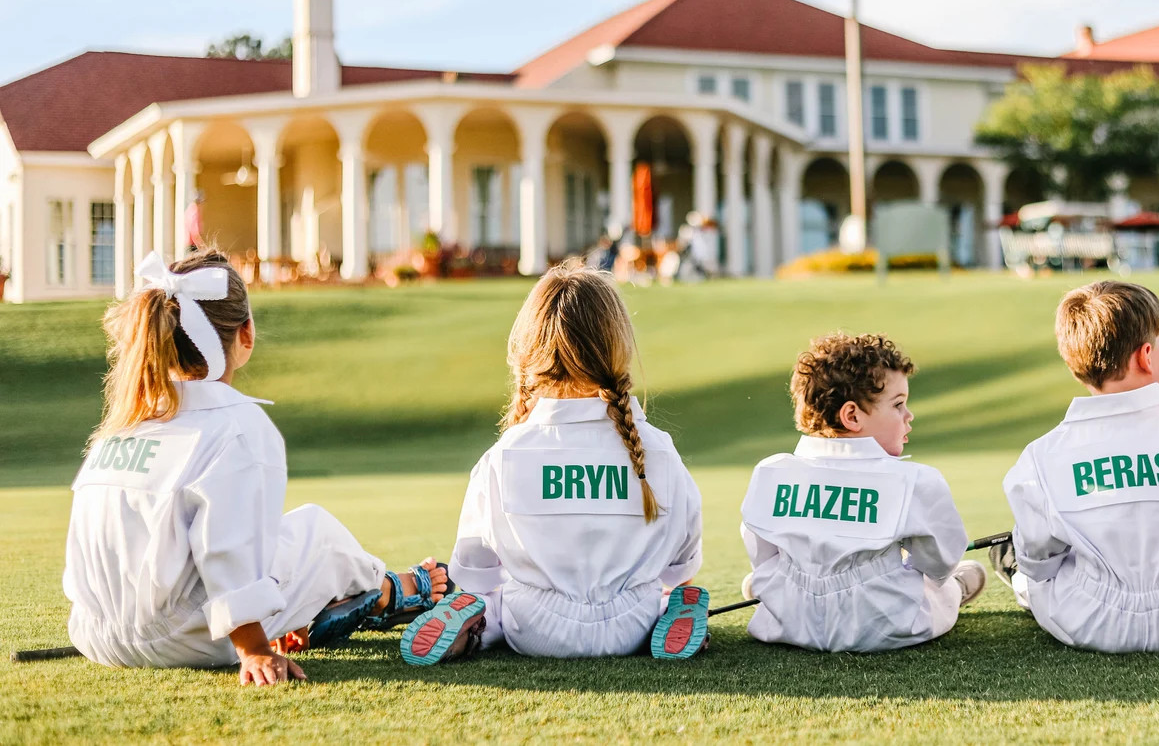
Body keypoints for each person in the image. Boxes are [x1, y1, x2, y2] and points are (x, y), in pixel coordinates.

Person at [64, 248, 452, 685]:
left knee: (282, 543)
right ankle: (387, 592)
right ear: (245, 333)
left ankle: (323, 607)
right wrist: (254, 649)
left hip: (96, 635)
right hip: (191, 638)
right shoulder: (236, 426)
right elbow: (225, 546)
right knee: (317, 532)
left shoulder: (124, 423)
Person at [400, 260, 704, 664]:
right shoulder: (658, 449)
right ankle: (670, 611)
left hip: (534, 628)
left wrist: (480, 594)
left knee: (490, 599)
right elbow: (682, 561)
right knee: (664, 594)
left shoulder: (505, 454)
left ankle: (478, 625)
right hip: (632, 626)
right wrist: (672, 585)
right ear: (617, 346)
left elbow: (475, 569)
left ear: (530, 350)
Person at [994, 280, 1159, 652]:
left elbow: (1039, 561)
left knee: (1033, 572)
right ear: (1147, 356)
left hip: (1088, 623)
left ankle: (1016, 582)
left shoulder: (1042, 455)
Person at [738, 333, 985, 652]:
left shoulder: (771, 470)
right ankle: (957, 590)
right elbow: (940, 562)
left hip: (789, 622)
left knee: (777, 577)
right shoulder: (915, 480)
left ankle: (773, 595)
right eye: (898, 405)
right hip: (883, 624)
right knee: (938, 586)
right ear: (852, 416)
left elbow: (761, 550)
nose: (909, 416)